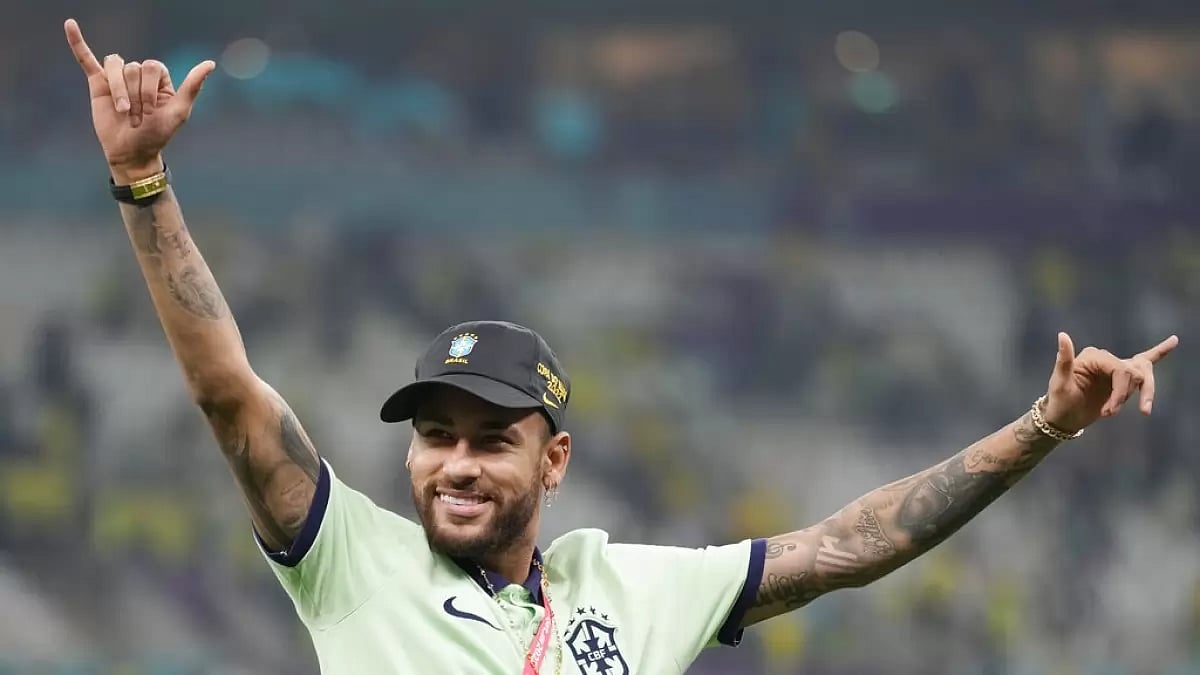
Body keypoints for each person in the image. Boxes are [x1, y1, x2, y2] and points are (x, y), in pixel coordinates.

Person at [63, 18, 1181, 675]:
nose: (454, 463)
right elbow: (229, 395)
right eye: (436, 435)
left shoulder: (631, 588)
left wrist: (1046, 425)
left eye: (490, 439)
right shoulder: (350, 561)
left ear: (554, 459)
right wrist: (142, 179)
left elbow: (849, 544)